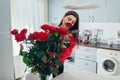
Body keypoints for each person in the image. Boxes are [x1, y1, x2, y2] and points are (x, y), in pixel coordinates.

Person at [53, 10, 80, 77]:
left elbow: (66, 52)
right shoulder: (53, 30)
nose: (70, 23)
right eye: (69, 19)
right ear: (63, 17)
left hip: (59, 63)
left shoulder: (70, 34)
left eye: (73, 22)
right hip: (49, 62)